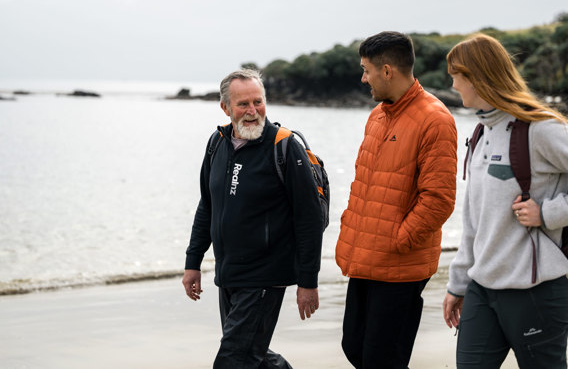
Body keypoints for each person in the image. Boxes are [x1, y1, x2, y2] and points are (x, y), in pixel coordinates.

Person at [182, 69, 324, 369]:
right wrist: (193, 262)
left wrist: (308, 281)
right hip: (228, 271)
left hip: (265, 275)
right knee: (252, 356)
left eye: (258, 102)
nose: (252, 111)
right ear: (225, 108)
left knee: (233, 360)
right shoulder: (216, 143)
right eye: (242, 104)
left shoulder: (284, 146)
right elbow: (207, 206)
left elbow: (309, 219)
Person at [443, 34, 568, 368]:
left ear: (477, 76)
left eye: (456, 76)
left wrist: (548, 213)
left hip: (535, 291)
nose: (453, 85)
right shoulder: (480, 132)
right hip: (482, 289)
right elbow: (473, 221)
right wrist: (458, 285)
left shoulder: (540, 128)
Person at [335, 31, 458, 368]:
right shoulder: (377, 116)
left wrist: (399, 240)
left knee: (383, 359)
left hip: (400, 263)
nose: (363, 78)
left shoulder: (435, 119)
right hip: (366, 257)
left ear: (387, 70)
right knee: (353, 347)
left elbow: (439, 199)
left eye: (366, 70)